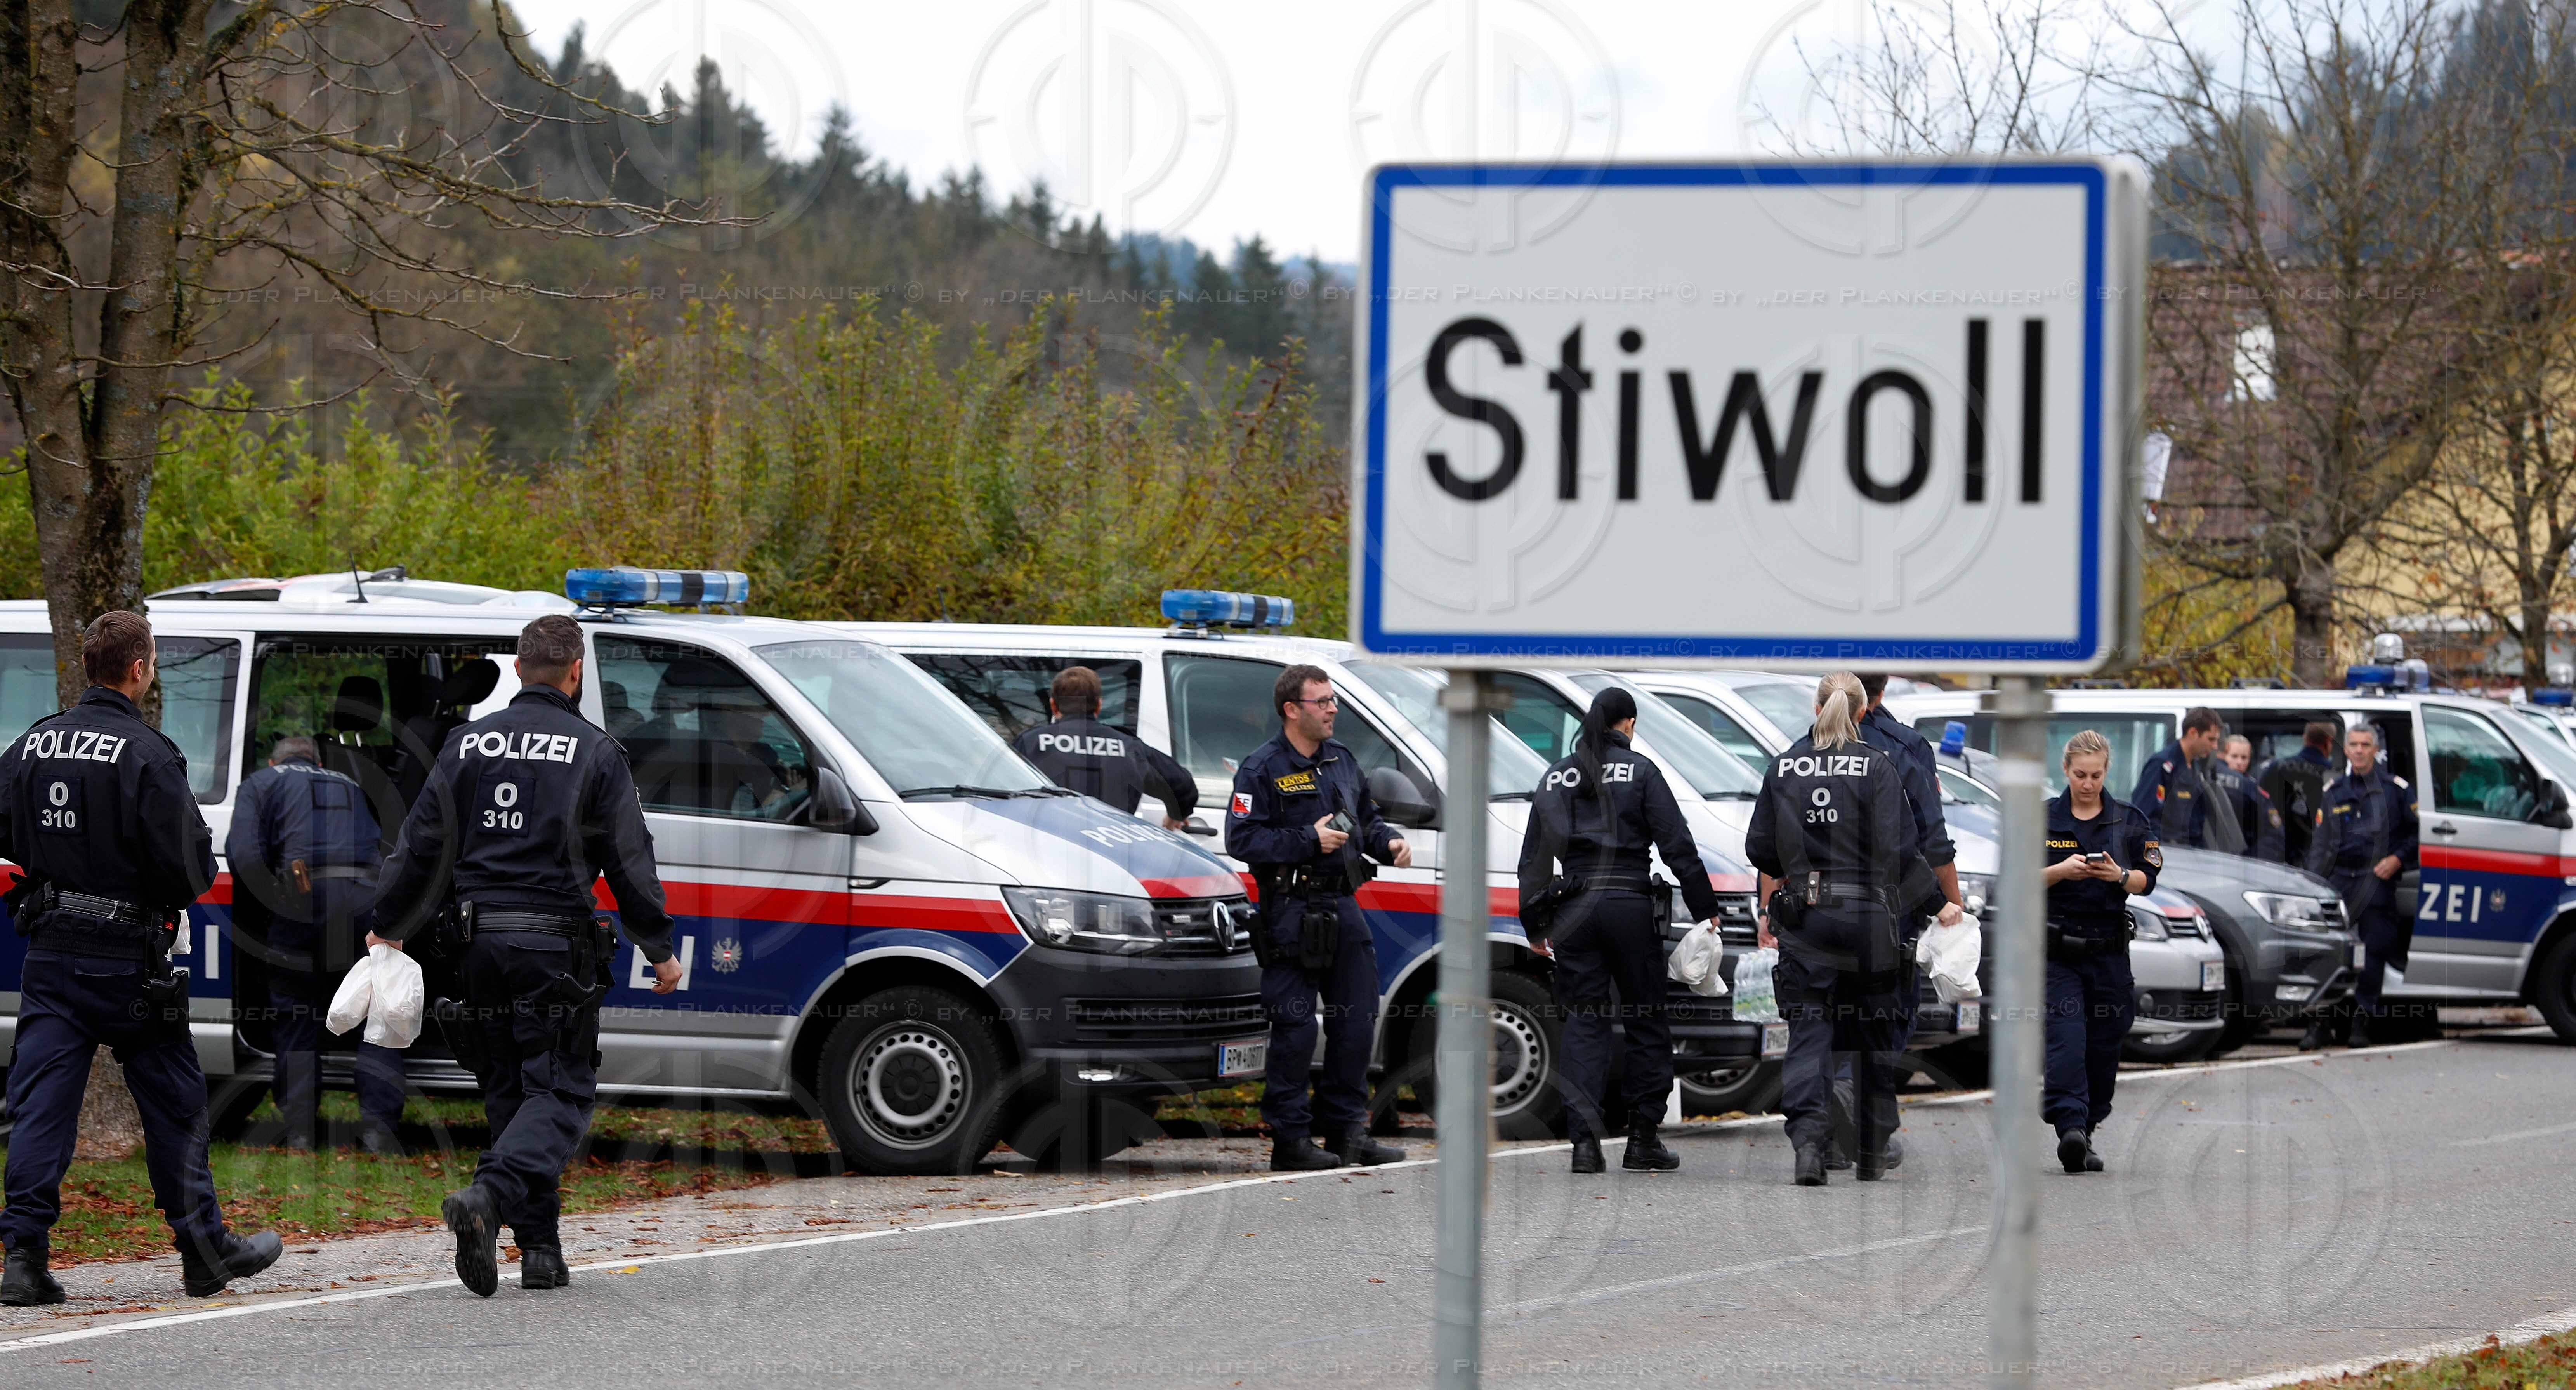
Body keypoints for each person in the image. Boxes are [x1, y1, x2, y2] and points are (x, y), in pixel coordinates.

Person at [366, 614, 682, 1297]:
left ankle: (540, 1251)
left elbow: (420, 841)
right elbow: (628, 860)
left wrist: (386, 922)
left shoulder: (465, 745)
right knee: (562, 1091)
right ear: (576, 673)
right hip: (553, 951)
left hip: (476, 946)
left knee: (510, 1090)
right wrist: (657, 945)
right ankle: (490, 1196)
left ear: (516, 668)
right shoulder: (596, 752)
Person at [0, 612, 283, 1305]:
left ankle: (23, 1262)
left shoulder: (33, 744)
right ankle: (203, 1250)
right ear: (139, 668)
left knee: (41, 1107)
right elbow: (188, 870)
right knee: (175, 1103)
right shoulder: (148, 753)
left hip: (52, 953)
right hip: (127, 961)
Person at [1746, 672, 1947, 1186]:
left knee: (1810, 1035)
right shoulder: (1878, 767)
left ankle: (1810, 1148)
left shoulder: (1785, 766)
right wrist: (1939, 906)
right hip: (1869, 922)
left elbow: (1761, 851)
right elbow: (1904, 850)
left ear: (1817, 708)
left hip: (1809, 919)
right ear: (1862, 713)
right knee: (1872, 1036)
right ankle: (1874, 1149)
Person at [1517, 687, 1723, 1174]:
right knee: (1646, 1020)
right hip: (1630, 906)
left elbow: (1534, 858)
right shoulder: (1643, 772)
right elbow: (1678, 845)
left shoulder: (1556, 775)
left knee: (1585, 1024)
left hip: (1574, 914)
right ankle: (1642, 1139)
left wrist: (1534, 922)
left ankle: (1585, 1145)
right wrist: (1705, 908)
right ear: (1627, 724)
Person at [1226, 664, 1412, 1173]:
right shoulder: (1261, 769)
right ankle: (1291, 1139)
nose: (1333, 709)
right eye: (1323, 702)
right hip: (1290, 910)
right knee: (1295, 1028)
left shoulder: (1342, 761)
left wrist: (1388, 840)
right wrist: (1309, 839)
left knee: (1357, 1021)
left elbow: (1364, 819)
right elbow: (1242, 840)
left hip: (1342, 907)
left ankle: (1349, 1132)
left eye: (1334, 701)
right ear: (1292, 710)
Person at [229, 735, 405, 1153]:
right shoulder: (348, 783)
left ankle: (301, 1131)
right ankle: (380, 1129)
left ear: (275, 760)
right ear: (319, 761)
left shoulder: (262, 781)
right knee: (377, 1009)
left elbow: (243, 856)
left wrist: (276, 901)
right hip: (366, 900)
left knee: (297, 1012)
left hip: (304, 898)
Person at [1839, 671, 1968, 1170]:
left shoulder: (1804, 747)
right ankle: (1862, 1114)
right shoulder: (1906, 747)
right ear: (1882, 690)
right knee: (1887, 1016)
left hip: (1816, 909)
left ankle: (1830, 1124)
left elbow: (1772, 843)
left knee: (1828, 1014)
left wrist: (1771, 909)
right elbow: (1932, 839)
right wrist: (1951, 909)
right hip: (1890, 909)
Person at [2040, 730, 2161, 1175]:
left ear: (2107, 771)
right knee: (2067, 1039)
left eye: (2095, 775)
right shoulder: (2042, 818)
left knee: (2105, 1046)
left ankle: (2086, 1128)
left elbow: (2147, 880)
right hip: (2058, 951)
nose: (2088, 783)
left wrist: (2118, 875)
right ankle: (2070, 1125)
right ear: (2066, 770)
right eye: (2079, 775)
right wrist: (2059, 871)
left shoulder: (2129, 820)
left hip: (2109, 951)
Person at [2303, 723, 2418, 1051]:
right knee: (2329, 954)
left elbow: (2416, 835)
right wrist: (2315, 885)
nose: (2358, 750)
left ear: (2375, 749)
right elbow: (2321, 844)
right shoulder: (2334, 790)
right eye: (2353, 744)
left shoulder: (2396, 789)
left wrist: (2397, 859)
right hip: (2339, 881)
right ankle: (2320, 1023)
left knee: (2373, 956)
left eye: (2365, 745)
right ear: (2346, 749)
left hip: (2376, 882)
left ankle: (2362, 1023)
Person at [1014, 666, 1197, 828]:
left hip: (1044, 854)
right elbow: (1183, 786)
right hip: (1109, 855)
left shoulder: (1030, 743)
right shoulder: (1129, 747)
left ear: (1053, 705)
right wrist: (1176, 816)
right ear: (1099, 706)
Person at [2132, 707, 2233, 851]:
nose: (2215, 746)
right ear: (2193, 733)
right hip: (2168, 855)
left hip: (2190, 854)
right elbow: (2143, 815)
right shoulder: (2163, 765)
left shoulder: (2196, 767)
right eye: (2211, 739)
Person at [2257, 721, 2339, 870]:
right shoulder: (2333, 778)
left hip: (2276, 855)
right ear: (2329, 742)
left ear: (2305, 738)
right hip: (2315, 860)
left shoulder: (2275, 768)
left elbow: (2259, 804)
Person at [2212, 734, 2284, 861]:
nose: (2239, 762)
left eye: (2244, 758)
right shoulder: (2249, 788)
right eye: (2234, 757)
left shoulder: (2253, 786)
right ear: (2224, 756)